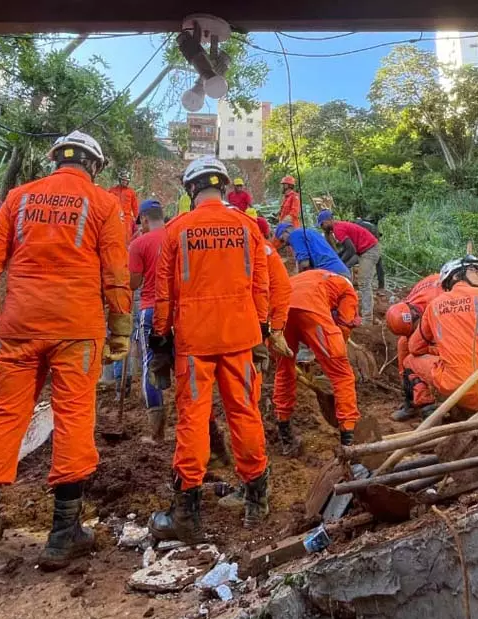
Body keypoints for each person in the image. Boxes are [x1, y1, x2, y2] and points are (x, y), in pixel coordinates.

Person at [0, 131, 131, 573]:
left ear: (54, 159)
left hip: (20, 324)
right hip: (78, 328)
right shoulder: (104, 204)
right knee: (74, 416)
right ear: (94, 165)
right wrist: (120, 331)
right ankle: (63, 534)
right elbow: (115, 271)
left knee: (1, 416)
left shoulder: (18, 198)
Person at [148, 157, 270, 544]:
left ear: (191, 190)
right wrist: (262, 330)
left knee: (193, 421)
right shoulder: (248, 228)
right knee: (245, 414)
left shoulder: (176, 230)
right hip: (240, 338)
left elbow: (163, 292)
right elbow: (261, 286)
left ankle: (186, 513)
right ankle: (256, 501)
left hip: (195, 342)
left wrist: (159, 337)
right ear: (224, 187)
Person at [404, 256, 478, 410]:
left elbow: (414, 348)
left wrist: (442, 351)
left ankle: (425, 404)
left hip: (457, 390)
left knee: (409, 360)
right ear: (455, 276)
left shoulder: (434, 306)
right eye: (474, 268)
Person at [273, 269, 361, 450]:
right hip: (311, 308)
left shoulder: (311, 276)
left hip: (280, 312)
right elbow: (344, 326)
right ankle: (348, 440)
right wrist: (332, 358)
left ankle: (286, 435)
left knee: (284, 371)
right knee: (342, 375)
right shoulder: (347, 290)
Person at [127, 199, 169, 444]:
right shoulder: (178, 236)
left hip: (151, 310)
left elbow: (133, 283)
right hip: (179, 310)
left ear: (143, 218)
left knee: (150, 365)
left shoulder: (139, 243)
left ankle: (157, 433)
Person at [385, 273, 442, 421]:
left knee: (416, 355)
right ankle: (412, 400)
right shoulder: (408, 303)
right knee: (404, 347)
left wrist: (427, 348)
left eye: (413, 330)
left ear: (417, 316)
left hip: (447, 322)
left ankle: (429, 404)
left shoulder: (437, 302)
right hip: (427, 317)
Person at [318, 210, 381, 322]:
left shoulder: (338, 229)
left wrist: (340, 263)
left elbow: (350, 249)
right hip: (361, 250)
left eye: (322, 224)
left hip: (369, 250)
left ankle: (367, 319)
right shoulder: (337, 227)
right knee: (345, 270)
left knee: (363, 282)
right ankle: (349, 305)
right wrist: (339, 260)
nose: (322, 227)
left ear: (328, 221)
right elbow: (347, 249)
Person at [275, 222, 350, 277]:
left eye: (282, 239)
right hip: (341, 271)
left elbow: (304, 263)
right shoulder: (309, 231)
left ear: (286, 231)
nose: (285, 243)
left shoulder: (294, 235)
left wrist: (297, 278)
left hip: (332, 273)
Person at [107, 170, 139, 237]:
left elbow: (135, 207)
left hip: (127, 218)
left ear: (128, 181)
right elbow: (106, 204)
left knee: (126, 238)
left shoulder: (131, 192)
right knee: (112, 235)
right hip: (114, 217)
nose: (124, 181)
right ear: (120, 180)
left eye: (126, 180)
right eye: (123, 180)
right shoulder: (112, 190)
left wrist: (138, 221)